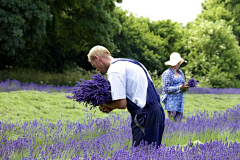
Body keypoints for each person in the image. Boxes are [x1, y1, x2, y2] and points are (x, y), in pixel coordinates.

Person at [87, 45, 165, 148]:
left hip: (144, 115)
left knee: (141, 154)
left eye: (94, 65)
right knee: (152, 154)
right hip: (156, 111)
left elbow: (121, 103)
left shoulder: (114, 70)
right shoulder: (129, 62)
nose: (97, 69)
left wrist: (102, 103)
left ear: (97, 58)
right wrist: (111, 106)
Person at [160, 52, 189, 121]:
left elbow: (183, 84)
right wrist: (179, 87)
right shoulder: (167, 73)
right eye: (177, 62)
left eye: (179, 62)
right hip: (171, 101)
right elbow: (166, 89)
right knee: (173, 121)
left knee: (179, 121)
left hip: (180, 100)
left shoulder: (180, 72)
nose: (179, 64)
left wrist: (186, 87)